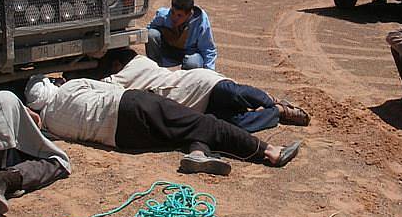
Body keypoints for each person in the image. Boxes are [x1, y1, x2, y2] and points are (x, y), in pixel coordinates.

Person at [25, 76, 301, 177]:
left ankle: (198, 153)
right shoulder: (71, 87)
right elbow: (113, 87)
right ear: (52, 87)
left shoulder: (50, 124)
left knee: (186, 132)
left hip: (122, 140)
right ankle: (270, 152)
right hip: (129, 106)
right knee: (205, 122)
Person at [99, 49, 310, 132]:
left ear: (118, 64)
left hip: (201, 84)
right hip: (198, 106)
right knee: (237, 125)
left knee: (235, 93)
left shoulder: (136, 65)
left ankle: (271, 101)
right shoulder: (133, 70)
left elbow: (105, 84)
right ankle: (277, 112)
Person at [146, 0, 217, 70]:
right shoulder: (163, 15)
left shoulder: (200, 21)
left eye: (179, 15)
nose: (174, 17)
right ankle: (154, 69)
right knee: (151, 34)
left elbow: (207, 48)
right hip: (168, 50)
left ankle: (186, 79)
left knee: (192, 63)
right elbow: (148, 31)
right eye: (172, 12)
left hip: (189, 53)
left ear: (189, 14)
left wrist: (209, 71)